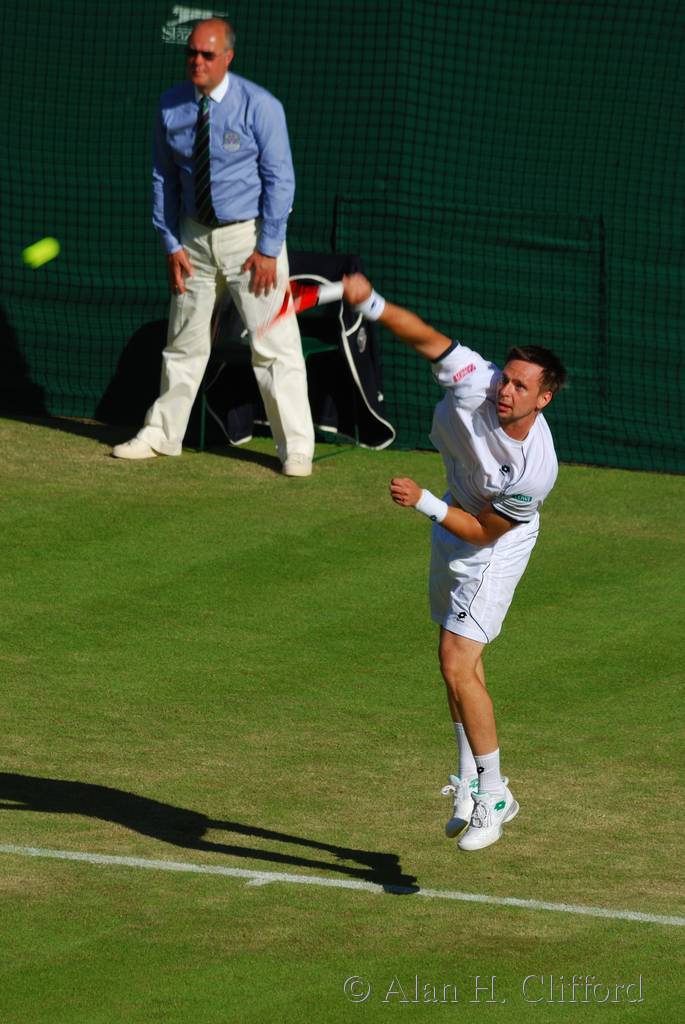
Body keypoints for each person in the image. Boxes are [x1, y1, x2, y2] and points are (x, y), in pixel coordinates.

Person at [342, 274, 567, 851]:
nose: (504, 390)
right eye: (506, 378)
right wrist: (371, 302)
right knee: (456, 664)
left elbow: (483, 530)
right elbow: (425, 337)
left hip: (494, 543)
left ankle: (496, 793)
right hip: (453, 521)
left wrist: (423, 501)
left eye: (520, 386)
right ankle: (469, 779)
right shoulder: (477, 379)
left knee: (456, 660)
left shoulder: (534, 472)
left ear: (543, 399)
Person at [113, 18, 315, 476]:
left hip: (250, 241)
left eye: (207, 54)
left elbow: (280, 180)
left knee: (275, 344)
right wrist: (171, 243)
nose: (197, 62)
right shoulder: (170, 105)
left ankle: (296, 449)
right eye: (191, 53)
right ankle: (162, 435)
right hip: (193, 241)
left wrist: (269, 248)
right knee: (183, 343)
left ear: (227, 57)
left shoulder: (261, 106)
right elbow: (163, 178)